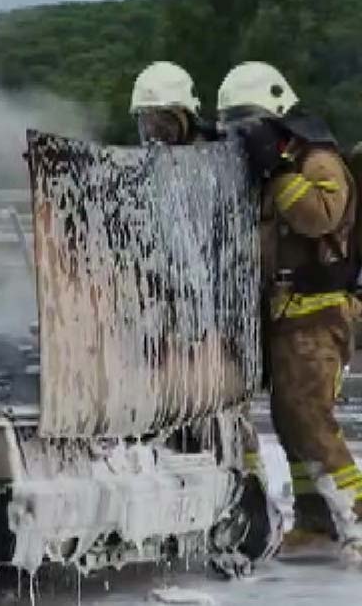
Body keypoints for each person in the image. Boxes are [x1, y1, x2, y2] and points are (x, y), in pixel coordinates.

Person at [131, 62, 276, 572]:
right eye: (148, 124)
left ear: (186, 115)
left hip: (221, 312)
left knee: (227, 417)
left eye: (164, 123)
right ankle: (183, 515)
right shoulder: (150, 171)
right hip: (171, 311)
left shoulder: (221, 163)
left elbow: (232, 241)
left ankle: (250, 510)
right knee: (174, 413)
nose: (156, 135)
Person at [218, 61, 362, 563]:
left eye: (248, 124)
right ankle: (315, 520)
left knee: (310, 416)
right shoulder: (271, 168)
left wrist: (279, 172)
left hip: (319, 311)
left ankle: (357, 516)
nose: (243, 136)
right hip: (286, 314)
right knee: (287, 417)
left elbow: (322, 216)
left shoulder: (315, 162)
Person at [130, 61, 208, 145]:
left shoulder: (214, 155)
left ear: (187, 116)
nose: (151, 130)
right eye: (145, 121)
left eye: (164, 121)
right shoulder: (143, 156)